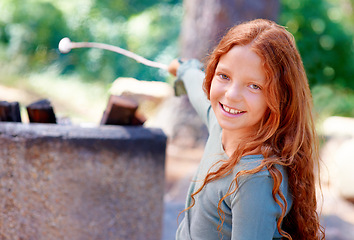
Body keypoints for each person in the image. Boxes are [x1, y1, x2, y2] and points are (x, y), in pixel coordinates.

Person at [168, 19, 325, 240]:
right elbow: (197, 88)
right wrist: (184, 69)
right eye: (224, 76)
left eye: (255, 86)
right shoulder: (221, 126)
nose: (231, 95)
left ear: (281, 97)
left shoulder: (254, 179)